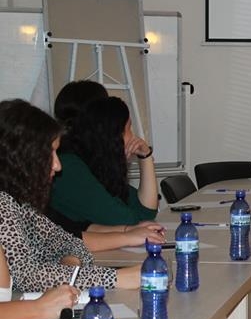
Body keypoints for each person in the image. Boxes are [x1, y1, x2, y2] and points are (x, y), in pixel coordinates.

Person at [0, 99, 140, 292]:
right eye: (49, 153)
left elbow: (70, 242)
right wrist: (117, 278)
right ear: (20, 157)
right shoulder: (3, 205)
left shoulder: (22, 202)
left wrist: (70, 265)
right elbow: (27, 276)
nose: (58, 165)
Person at [49, 82, 164, 251]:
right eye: (127, 128)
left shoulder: (94, 160)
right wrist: (128, 232)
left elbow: (145, 212)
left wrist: (145, 157)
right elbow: (128, 220)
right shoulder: (69, 168)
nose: (132, 136)